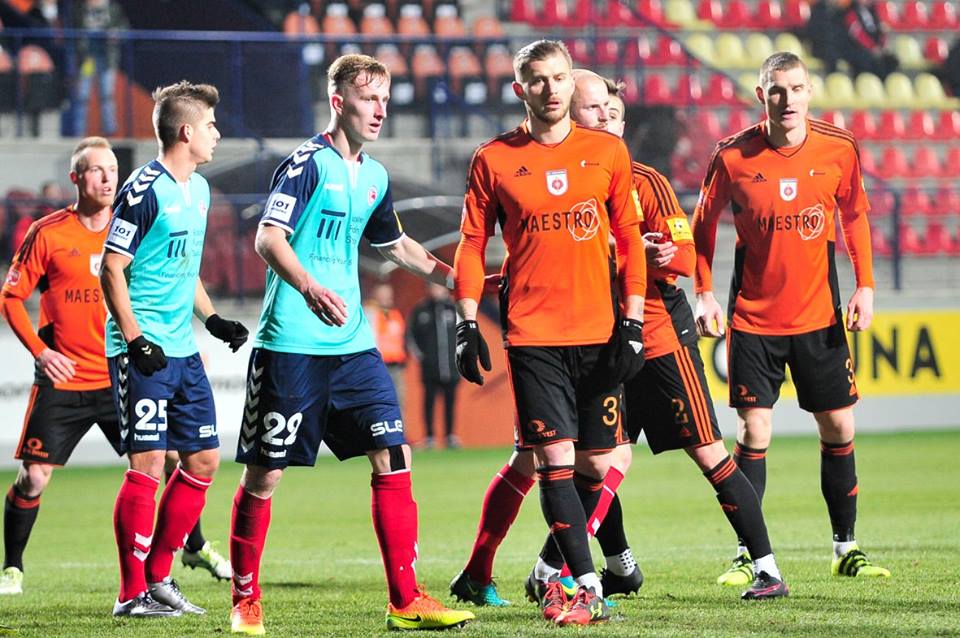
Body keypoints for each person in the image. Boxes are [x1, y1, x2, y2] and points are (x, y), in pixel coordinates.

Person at [226, 53, 474, 635]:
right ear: (339, 103)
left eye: (385, 98)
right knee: (265, 476)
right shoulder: (305, 165)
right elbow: (268, 238)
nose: (380, 110)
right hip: (291, 343)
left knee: (394, 454)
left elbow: (396, 246)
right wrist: (309, 287)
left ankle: (406, 600)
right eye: (369, 99)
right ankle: (244, 600)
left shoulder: (375, 177)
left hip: (353, 344)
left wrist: (458, 279)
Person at [453, 41, 646, 627]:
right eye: (538, 80)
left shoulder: (607, 151)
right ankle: (584, 585)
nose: (552, 89)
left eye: (560, 77)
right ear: (520, 89)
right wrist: (466, 321)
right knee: (552, 457)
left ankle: (535, 574)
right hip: (533, 335)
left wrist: (633, 321)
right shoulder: (494, 159)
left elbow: (630, 238)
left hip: (600, 332)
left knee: (597, 463)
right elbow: (471, 244)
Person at [692, 51, 891, 581]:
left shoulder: (838, 148)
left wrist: (865, 286)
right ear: (761, 95)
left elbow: (855, 216)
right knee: (754, 430)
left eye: (797, 88)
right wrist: (704, 293)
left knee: (839, 424)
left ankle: (845, 548)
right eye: (777, 90)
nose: (787, 99)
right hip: (753, 320)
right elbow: (702, 225)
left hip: (819, 317)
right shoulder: (731, 156)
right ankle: (748, 554)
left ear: (809, 92)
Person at [101, 81, 250, 618]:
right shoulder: (143, 190)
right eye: (210, 125)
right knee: (146, 464)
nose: (217, 134)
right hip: (141, 349)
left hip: (182, 350)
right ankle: (130, 593)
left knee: (204, 459)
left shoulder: (200, 189)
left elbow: (183, 269)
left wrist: (212, 319)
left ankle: (158, 578)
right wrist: (135, 340)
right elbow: (111, 268)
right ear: (186, 132)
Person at [0, 137, 121, 597]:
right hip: (64, 378)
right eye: (96, 170)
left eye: (112, 169)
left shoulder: (130, 228)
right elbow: (11, 298)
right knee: (34, 477)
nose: (107, 178)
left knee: (165, 461)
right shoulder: (48, 232)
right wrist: (41, 352)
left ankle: (192, 547)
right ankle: (12, 567)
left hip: (118, 376)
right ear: (76, 178)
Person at [408, 283, 460, 449]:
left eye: (438, 287)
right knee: (429, 402)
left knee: (450, 403)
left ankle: (450, 436)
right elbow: (411, 337)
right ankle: (430, 436)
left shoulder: (454, 308)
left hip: (452, 366)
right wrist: (423, 357)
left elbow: (463, 334)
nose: (436, 290)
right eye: (432, 287)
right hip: (429, 368)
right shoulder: (421, 310)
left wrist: (460, 356)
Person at [71, 0, 128, 136]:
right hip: (88, 59)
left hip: (107, 57)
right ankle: (79, 132)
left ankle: (109, 131)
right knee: (83, 95)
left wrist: (117, 33)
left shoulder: (113, 8)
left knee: (107, 94)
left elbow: (124, 28)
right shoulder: (80, 9)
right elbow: (73, 31)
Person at [365, 282, 407, 409]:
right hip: (378, 365)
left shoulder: (395, 314)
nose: (387, 298)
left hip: (396, 365)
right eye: (383, 294)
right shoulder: (370, 313)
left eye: (388, 294)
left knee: (399, 399)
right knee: (379, 401)